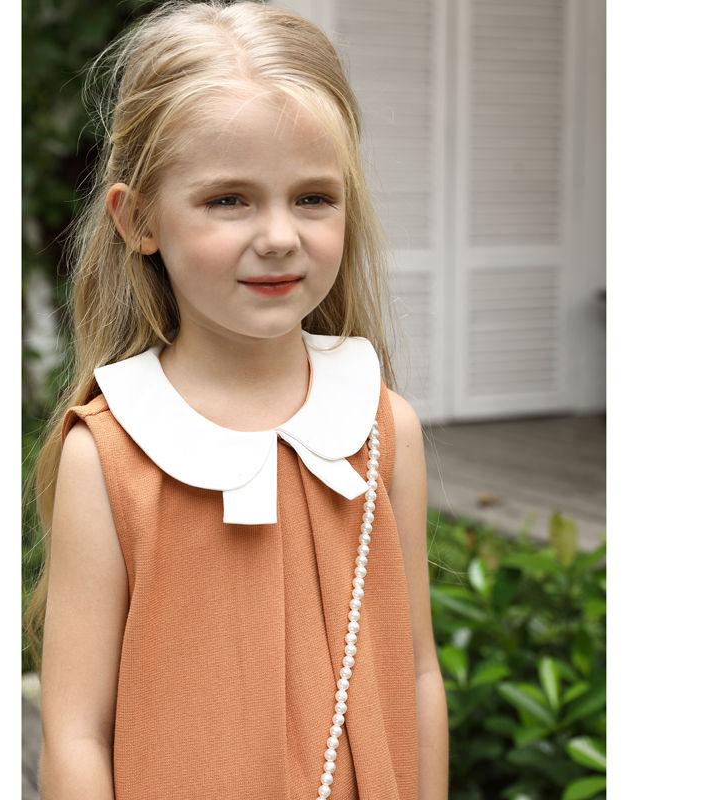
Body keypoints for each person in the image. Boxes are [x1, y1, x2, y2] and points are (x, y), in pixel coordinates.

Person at [24, 2, 448, 798]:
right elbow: (75, 732)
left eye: (314, 197)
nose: (280, 236)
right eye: (229, 200)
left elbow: (417, 670)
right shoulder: (109, 456)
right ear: (138, 219)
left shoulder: (384, 427)